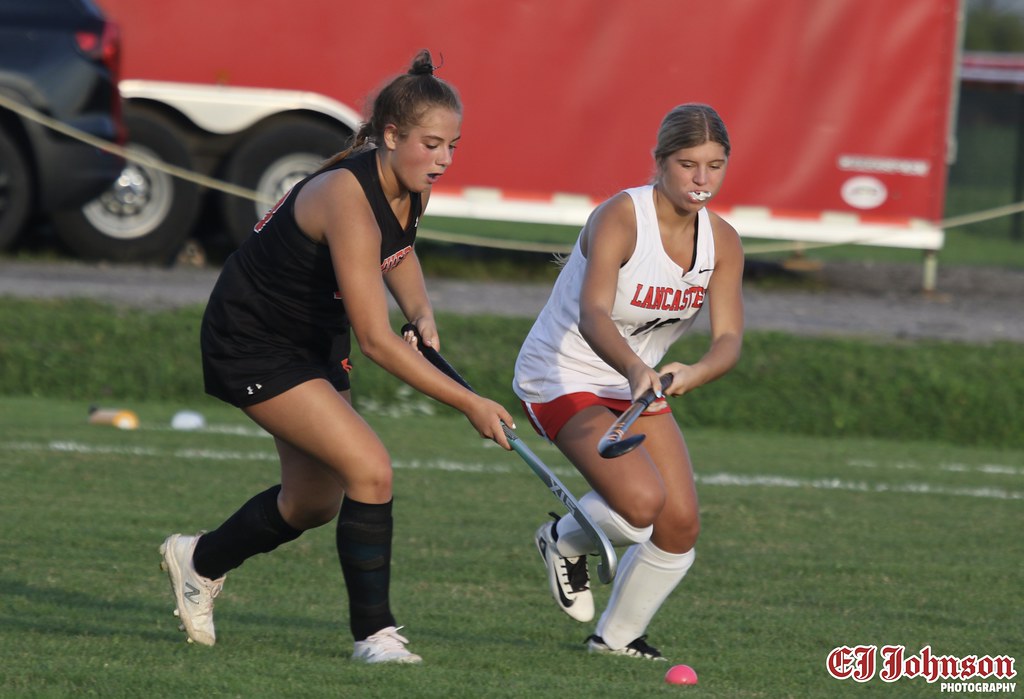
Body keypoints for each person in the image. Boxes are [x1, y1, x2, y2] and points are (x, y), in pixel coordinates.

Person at [159, 49, 514, 664]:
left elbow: (397, 253)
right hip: (252, 339)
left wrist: (422, 312)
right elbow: (376, 341)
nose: (444, 160)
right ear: (392, 134)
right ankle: (373, 634)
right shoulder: (347, 197)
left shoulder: (408, 185)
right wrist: (469, 403)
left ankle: (199, 560)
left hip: (312, 339)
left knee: (313, 501)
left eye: (453, 146)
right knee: (371, 470)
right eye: (432, 145)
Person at [512, 103, 744, 660]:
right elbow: (594, 313)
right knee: (639, 505)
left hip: (634, 386)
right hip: (562, 371)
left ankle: (613, 642)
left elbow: (729, 340)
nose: (702, 179)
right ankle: (562, 539)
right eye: (688, 164)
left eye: (715, 165)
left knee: (679, 525)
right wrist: (637, 368)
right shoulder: (621, 216)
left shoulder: (724, 241)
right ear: (660, 162)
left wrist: (692, 371)